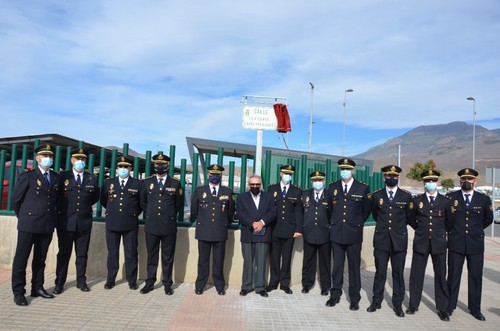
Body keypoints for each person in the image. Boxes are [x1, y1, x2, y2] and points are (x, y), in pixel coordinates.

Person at [11, 144, 61, 306]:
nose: (48, 159)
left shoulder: (55, 177)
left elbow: (56, 201)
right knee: (21, 259)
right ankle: (19, 292)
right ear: (37, 158)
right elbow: (16, 200)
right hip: (28, 224)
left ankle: (37, 287)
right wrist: (24, 217)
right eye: (44, 156)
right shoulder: (28, 175)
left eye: (50, 156)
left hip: (46, 224)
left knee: (40, 259)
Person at [447, 168, 493, 321]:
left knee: (475, 277)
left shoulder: (483, 199)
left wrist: (475, 231)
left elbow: (488, 219)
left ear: (475, 182)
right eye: (463, 179)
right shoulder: (451, 197)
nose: (466, 182)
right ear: (460, 181)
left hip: (475, 244)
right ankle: (449, 306)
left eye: (469, 179)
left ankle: (475, 309)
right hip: (456, 243)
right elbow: (448, 220)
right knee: (453, 275)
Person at [367, 165, 413, 317]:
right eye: (388, 176)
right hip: (381, 240)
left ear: (398, 178)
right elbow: (375, 213)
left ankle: (397, 304)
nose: (391, 178)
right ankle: (376, 300)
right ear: (384, 177)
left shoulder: (406, 196)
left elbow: (409, 218)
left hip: (399, 241)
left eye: (394, 176)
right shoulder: (377, 195)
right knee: (380, 272)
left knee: (398, 274)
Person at [326, 158, 371, 310]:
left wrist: (356, 223)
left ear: (353, 170)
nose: (344, 171)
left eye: (347, 169)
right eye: (342, 169)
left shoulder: (362, 188)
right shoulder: (333, 186)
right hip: (337, 233)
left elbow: (366, 210)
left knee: (354, 267)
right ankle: (335, 295)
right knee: (337, 266)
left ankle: (354, 298)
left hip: (353, 234)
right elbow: (330, 210)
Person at [407, 169, 452, 321]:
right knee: (416, 275)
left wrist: (439, 233)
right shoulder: (417, 200)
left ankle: (443, 309)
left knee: (440, 276)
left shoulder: (446, 202)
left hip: (439, 243)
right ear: (424, 183)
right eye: (427, 181)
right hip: (421, 242)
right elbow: (411, 219)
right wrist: (421, 231)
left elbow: (449, 223)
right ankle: (413, 304)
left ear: (437, 182)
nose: (430, 184)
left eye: (433, 181)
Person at [54, 148, 99, 294]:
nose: (80, 161)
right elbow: (57, 197)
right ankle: (59, 282)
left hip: (84, 223)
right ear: (72, 160)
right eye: (77, 159)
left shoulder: (92, 178)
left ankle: (81, 281)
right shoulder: (62, 177)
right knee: (63, 254)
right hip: (65, 222)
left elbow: (94, 198)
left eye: (83, 159)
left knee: (82, 254)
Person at [140, 152, 183, 295]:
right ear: (154, 165)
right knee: (152, 256)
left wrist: (167, 216)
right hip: (151, 226)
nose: (160, 166)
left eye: (162, 164)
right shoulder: (147, 182)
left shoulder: (175, 183)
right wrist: (151, 214)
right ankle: (150, 282)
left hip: (168, 226)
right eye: (157, 164)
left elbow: (178, 204)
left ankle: (167, 284)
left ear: (167, 165)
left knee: (167, 257)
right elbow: (143, 202)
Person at [100, 156, 143, 290]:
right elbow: (103, 200)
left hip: (130, 223)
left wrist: (132, 213)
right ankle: (110, 279)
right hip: (113, 222)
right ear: (117, 168)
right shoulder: (108, 183)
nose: (123, 169)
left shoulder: (137, 184)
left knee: (131, 253)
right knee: (112, 253)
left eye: (126, 167)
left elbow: (141, 203)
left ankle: (132, 280)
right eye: (121, 167)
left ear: (130, 168)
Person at [191, 164, 235, 295]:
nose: (214, 176)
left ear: (221, 176)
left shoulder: (227, 192)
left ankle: (219, 286)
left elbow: (230, 211)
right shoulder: (200, 191)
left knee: (219, 261)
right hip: (204, 231)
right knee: (202, 261)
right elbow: (194, 210)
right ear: (208, 175)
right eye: (212, 174)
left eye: (217, 174)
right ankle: (200, 286)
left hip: (220, 231)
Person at [236, 175, 276, 298]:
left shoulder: (268, 197)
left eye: (257, 185)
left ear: (261, 185)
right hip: (248, 232)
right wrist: (252, 223)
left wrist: (262, 222)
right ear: (249, 185)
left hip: (263, 232)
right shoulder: (242, 197)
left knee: (261, 261)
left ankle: (260, 287)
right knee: (248, 261)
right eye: (252, 184)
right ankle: (246, 286)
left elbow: (273, 211)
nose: (254, 187)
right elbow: (240, 212)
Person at [266, 164, 303, 294]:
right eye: (285, 173)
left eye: (290, 174)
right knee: (274, 257)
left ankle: (285, 283)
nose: (287, 176)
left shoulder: (297, 191)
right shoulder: (271, 189)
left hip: (290, 230)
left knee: (287, 258)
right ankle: (273, 282)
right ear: (281, 174)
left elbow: (299, 212)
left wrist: (298, 229)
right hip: (274, 229)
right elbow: (268, 209)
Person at [299, 171, 331, 296]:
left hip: (325, 233)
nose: (317, 183)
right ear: (312, 181)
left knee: (325, 262)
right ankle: (306, 284)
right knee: (308, 260)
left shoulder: (329, 195)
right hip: (309, 232)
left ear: (323, 181)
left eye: (320, 180)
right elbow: (300, 212)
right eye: (315, 180)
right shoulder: (305, 194)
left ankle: (325, 286)